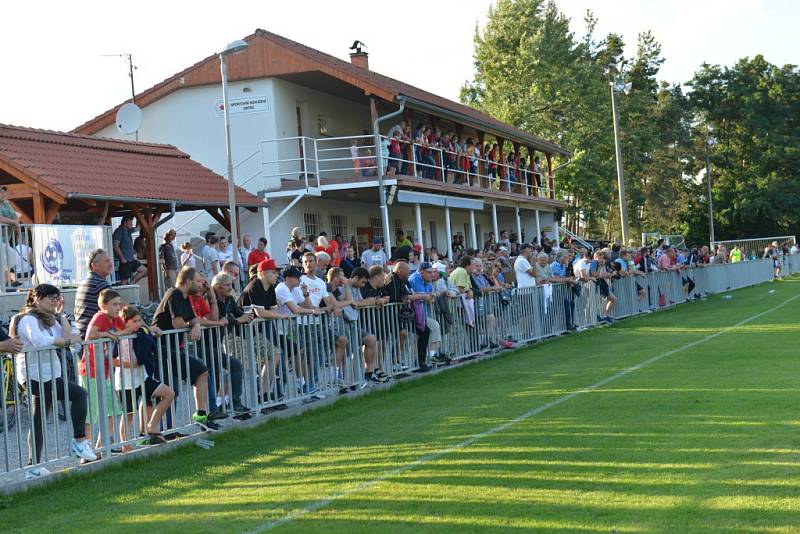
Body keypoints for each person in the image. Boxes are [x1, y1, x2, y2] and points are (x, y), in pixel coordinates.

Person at [9, 284, 97, 477]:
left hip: (49, 373)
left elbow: (71, 335)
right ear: (38, 298)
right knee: (80, 394)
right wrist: (66, 342)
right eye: (52, 298)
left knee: (38, 419)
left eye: (58, 298)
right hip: (35, 375)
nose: (56, 301)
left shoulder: (49, 319)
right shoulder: (27, 318)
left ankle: (33, 467)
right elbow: (41, 340)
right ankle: (80, 441)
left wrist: (62, 315)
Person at [151, 267, 218, 431]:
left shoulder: (184, 297)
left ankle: (191, 419)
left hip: (173, 349)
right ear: (188, 282)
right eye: (198, 281)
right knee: (173, 387)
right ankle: (163, 429)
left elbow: (194, 319)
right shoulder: (174, 294)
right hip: (162, 349)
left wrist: (195, 325)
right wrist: (192, 326)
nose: (201, 284)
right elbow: (178, 323)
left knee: (195, 376)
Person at [82, 288, 129, 452]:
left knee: (113, 410)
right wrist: (108, 334)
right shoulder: (101, 316)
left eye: (119, 304)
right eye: (114, 304)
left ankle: (103, 445)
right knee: (91, 412)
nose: (118, 307)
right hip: (92, 370)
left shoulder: (115, 319)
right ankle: (85, 450)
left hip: (106, 371)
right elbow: (90, 335)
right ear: (103, 305)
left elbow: (127, 329)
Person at [120, 305, 175, 445]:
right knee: (128, 415)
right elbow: (112, 359)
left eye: (140, 320)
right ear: (125, 321)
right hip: (126, 381)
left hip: (142, 376)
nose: (138, 324)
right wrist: (130, 364)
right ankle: (125, 446)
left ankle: (150, 428)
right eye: (135, 321)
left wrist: (150, 329)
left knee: (169, 394)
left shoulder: (141, 332)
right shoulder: (119, 337)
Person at [113, 215, 147, 285]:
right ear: (125, 223)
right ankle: (123, 294)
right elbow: (115, 246)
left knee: (144, 270)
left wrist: (139, 217)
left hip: (131, 259)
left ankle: (131, 284)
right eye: (130, 222)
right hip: (124, 260)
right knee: (124, 281)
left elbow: (138, 228)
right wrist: (122, 258)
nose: (132, 224)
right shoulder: (118, 231)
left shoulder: (128, 231)